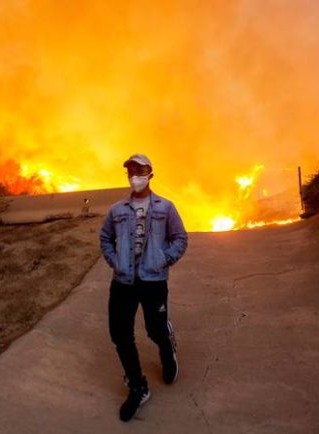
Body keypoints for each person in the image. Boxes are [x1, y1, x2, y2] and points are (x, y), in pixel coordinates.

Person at [99, 153, 188, 421]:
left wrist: (164, 259)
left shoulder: (166, 207)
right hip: (123, 282)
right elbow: (105, 238)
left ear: (150, 173)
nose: (134, 175)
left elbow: (180, 238)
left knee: (154, 328)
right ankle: (138, 386)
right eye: (130, 171)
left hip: (153, 281)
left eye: (140, 170)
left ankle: (166, 347)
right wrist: (116, 263)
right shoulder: (117, 210)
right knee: (120, 334)